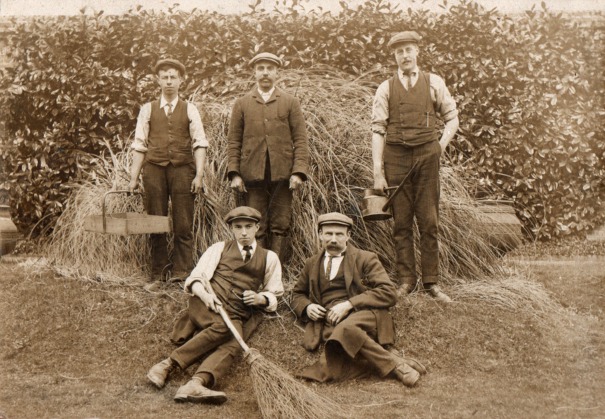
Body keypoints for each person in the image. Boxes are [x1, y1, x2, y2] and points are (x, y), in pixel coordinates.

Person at [146, 206, 284, 403]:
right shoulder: (219, 248)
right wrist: (206, 296)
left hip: (236, 312)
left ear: (257, 227)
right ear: (232, 228)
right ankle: (166, 365)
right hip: (206, 303)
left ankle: (197, 383)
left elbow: (275, 292)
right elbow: (195, 279)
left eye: (248, 226)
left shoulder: (270, 257)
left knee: (235, 341)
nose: (243, 232)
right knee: (222, 326)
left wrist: (261, 298)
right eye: (238, 227)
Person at [371, 31, 459, 302]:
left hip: (426, 158)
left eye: (409, 49)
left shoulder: (434, 83)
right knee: (401, 223)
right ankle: (406, 280)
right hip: (395, 159)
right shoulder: (385, 88)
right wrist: (378, 172)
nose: (405, 56)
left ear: (417, 51)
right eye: (399, 52)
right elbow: (377, 130)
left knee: (429, 220)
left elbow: (452, 119)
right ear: (394, 56)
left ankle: (431, 282)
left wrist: (438, 147)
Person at [291, 212, 426, 386]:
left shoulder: (365, 258)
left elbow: (388, 292)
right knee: (332, 369)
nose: (333, 239)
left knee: (346, 329)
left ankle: (397, 368)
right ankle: (395, 360)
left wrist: (349, 304)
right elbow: (297, 294)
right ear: (320, 235)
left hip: (364, 314)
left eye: (339, 234)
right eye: (328, 234)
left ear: (348, 235)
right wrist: (307, 307)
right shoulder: (311, 263)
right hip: (330, 322)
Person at [129, 58, 207, 289]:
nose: (169, 82)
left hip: (183, 170)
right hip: (153, 171)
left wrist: (199, 175)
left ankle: (182, 274)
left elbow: (199, 143)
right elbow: (140, 145)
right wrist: (134, 178)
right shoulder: (148, 109)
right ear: (158, 80)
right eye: (165, 77)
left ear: (181, 81)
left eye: (173, 77)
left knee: (183, 223)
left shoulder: (190, 109)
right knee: (156, 222)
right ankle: (158, 274)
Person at [227, 52, 309, 260]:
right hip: (252, 176)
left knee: (281, 223)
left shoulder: (290, 102)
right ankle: (258, 269)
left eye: (269, 69)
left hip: (283, 176)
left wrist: (298, 172)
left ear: (277, 73)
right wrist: (234, 173)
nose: (265, 73)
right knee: (256, 223)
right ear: (254, 72)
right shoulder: (242, 103)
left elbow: (300, 140)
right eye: (261, 68)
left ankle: (277, 270)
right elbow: (234, 142)